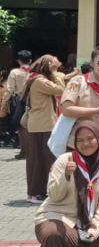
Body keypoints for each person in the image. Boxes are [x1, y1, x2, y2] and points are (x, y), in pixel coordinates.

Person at [34, 122, 99, 247]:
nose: (85, 143)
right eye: (80, 140)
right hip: (55, 216)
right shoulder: (65, 160)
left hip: (85, 224)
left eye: (90, 138)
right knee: (54, 234)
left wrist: (95, 229)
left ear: (98, 139)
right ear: (74, 142)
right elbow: (53, 195)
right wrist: (65, 176)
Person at [21, 55, 65, 203]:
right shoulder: (40, 80)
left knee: (37, 159)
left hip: (39, 124)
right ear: (47, 66)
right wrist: (55, 72)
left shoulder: (35, 78)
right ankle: (37, 192)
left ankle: (34, 192)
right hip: (43, 125)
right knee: (43, 159)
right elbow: (60, 89)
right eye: (53, 64)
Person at [1, 50, 32, 157]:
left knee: (21, 126)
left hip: (19, 101)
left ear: (18, 61)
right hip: (34, 101)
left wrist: (4, 102)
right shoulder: (34, 72)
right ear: (30, 61)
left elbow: (9, 89)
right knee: (32, 126)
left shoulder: (14, 72)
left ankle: (24, 151)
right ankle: (32, 151)